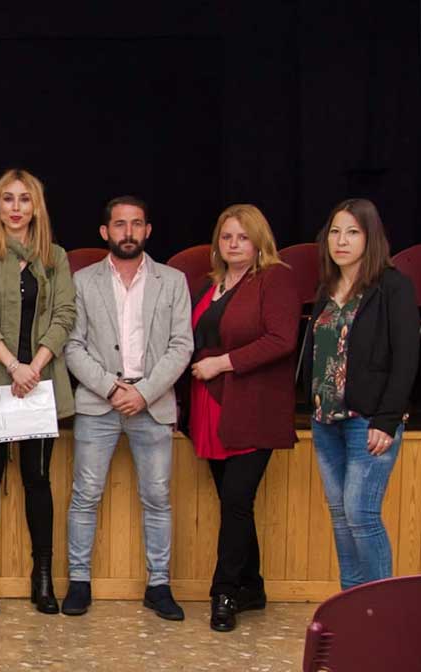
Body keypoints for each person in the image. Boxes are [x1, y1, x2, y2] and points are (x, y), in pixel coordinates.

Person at [62, 196, 192, 620]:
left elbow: (181, 346)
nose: (128, 232)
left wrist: (145, 392)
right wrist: (109, 387)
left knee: (157, 497)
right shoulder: (82, 281)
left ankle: (159, 585)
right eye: (120, 225)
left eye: (137, 224)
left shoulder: (172, 281)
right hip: (99, 403)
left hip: (151, 404)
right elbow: (72, 345)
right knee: (85, 496)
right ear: (105, 232)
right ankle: (78, 582)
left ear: (148, 230)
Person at [0, 168, 75, 615]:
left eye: (24, 199)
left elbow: (65, 315)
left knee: (38, 481)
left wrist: (33, 368)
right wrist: (12, 365)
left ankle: (42, 578)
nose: (15, 208)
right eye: (7, 199)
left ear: (36, 207)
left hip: (39, 387)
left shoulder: (56, 258)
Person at [186, 203, 299, 632]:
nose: (234, 244)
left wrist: (223, 363)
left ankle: (225, 593)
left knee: (236, 500)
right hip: (210, 406)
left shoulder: (276, 278)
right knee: (234, 503)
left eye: (243, 237)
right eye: (227, 236)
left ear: (259, 241)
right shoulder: (207, 284)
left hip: (253, 407)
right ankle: (253, 586)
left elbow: (282, 339)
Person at [299, 199, 418, 590]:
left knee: (361, 514)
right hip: (324, 420)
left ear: (370, 238)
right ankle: (353, 608)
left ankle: (382, 611)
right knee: (340, 516)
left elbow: (406, 357)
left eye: (352, 232)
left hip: (369, 422)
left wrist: (387, 419)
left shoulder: (393, 286)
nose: (342, 241)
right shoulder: (327, 288)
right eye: (335, 232)